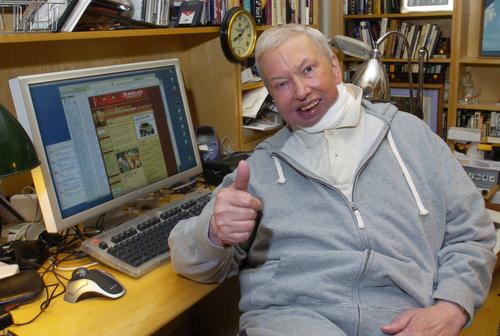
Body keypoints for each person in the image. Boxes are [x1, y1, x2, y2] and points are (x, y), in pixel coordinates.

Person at [168, 24, 497, 336]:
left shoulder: (409, 136)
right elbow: (187, 258)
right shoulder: (258, 170)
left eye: (308, 70)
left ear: (335, 68)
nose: (300, 91)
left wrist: (452, 306)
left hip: (402, 321)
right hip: (292, 323)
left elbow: (472, 232)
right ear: (270, 95)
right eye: (281, 84)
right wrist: (213, 231)